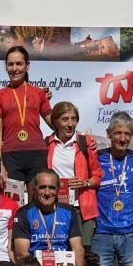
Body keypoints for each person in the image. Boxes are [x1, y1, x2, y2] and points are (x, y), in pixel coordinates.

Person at [90, 111, 133, 266]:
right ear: (108, 134)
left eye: (127, 134)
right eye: (118, 133)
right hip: (102, 233)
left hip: (131, 233)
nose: (122, 138)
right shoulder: (96, 158)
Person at [12, 169, 84, 266]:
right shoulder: (24, 213)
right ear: (34, 189)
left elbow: (77, 248)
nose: (47, 193)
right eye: (42, 187)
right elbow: (21, 254)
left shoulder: (69, 212)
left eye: (51, 188)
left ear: (58, 190)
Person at [45, 101, 103, 245]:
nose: (70, 124)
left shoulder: (85, 143)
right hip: (56, 208)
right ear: (55, 122)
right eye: (65, 119)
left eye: (74, 119)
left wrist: (86, 183)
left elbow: (97, 175)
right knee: (59, 251)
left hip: (82, 209)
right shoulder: (47, 143)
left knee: (83, 252)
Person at [0, 46, 51, 183]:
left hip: (37, 152)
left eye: (19, 64)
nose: (14, 68)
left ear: (27, 66)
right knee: (13, 197)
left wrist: (80, 137)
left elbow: (54, 123)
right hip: (10, 155)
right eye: (10, 64)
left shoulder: (38, 93)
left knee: (37, 197)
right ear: (6, 67)